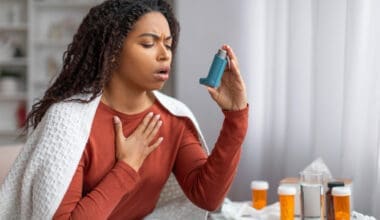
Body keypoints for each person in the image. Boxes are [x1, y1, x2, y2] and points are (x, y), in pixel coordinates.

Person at [0, 0, 248, 219]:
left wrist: (236, 116)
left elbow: (207, 197)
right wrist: (128, 166)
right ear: (113, 51)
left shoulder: (173, 117)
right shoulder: (68, 121)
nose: (165, 55)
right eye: (149, 44)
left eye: (169, 44)